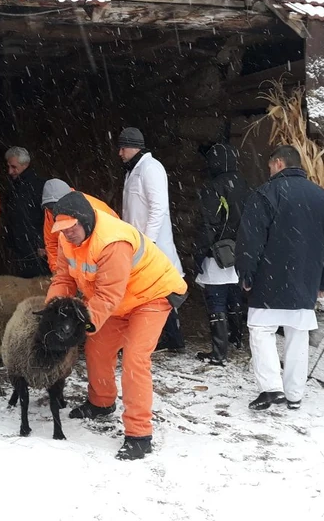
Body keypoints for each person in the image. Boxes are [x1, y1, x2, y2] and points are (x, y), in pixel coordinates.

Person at [46, 192, 187, 460]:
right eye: (62, 230)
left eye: (72, 228)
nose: (67, 234)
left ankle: (139, 434)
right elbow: (63, 278)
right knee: (97, 348)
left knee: (134, 358)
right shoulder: (66, 240)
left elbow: (107, 295)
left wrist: (82, 326)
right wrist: (51, 316)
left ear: (85, 221)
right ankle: (101, 402)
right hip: (118, 301)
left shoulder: (112, 241)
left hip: (150, 296)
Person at [236, 145, 324, 411]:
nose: (269, 170)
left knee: (261, 331)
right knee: (298, 335)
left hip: (269, 277)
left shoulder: (265, 194)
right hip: (306, 279)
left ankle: (271, 388)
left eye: (270, 165)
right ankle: (294, 394)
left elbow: (251, 240)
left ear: (279, 163)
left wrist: (246, 273)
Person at [117, 127, 186, 353]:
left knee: (162, 289)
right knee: (152, 290)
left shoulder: (151, 168)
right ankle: (170, 338)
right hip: (139, 243)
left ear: (134, 147)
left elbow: (159, 208)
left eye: (123, 147)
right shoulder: (133, 170)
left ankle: (171, 339)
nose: (120, 153)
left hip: (151, 245)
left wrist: (149, 242)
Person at [193, 143, 251, 366]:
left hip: (218, 253)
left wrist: (199, 253)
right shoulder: (244, 184)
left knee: (216, 300)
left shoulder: (214, 187)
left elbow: (209, 224)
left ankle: (219, 352)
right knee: (235, 295)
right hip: (240, 251)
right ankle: (236, 339)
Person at [41, 178, 118, 274]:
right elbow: (52, 243)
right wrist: (57, 272)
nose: (55, 211)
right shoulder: (51, 211)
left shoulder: (92, 210)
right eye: (51, 209)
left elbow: (112, 251)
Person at [3, 146, 49, 278]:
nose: (10, 171)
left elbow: (47, 216)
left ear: (25, 165)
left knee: (37, 283)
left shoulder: (39, 186)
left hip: (35, 248)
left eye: (14, 167)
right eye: (9, 166)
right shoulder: (14, 186)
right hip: (20, 245)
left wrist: (42, 242)